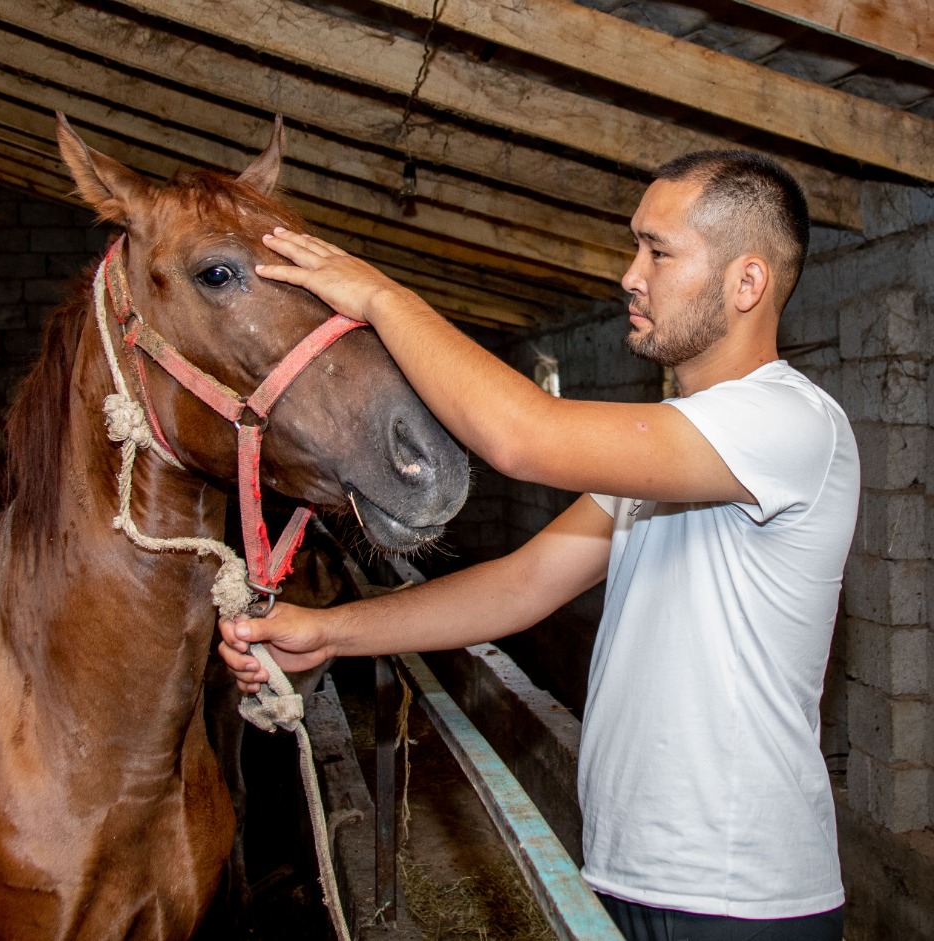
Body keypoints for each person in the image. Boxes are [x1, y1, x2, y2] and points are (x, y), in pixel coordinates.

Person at [218, 150, 858, 941]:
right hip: (628, 873)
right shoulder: (676, 452)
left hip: (742, 899)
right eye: (635, 247)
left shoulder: (788, 422)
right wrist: (328, 632)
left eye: (658, 252)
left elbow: (524, 436)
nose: (630, 275)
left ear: (747, 282)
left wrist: (384, 298)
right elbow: (521, 586)